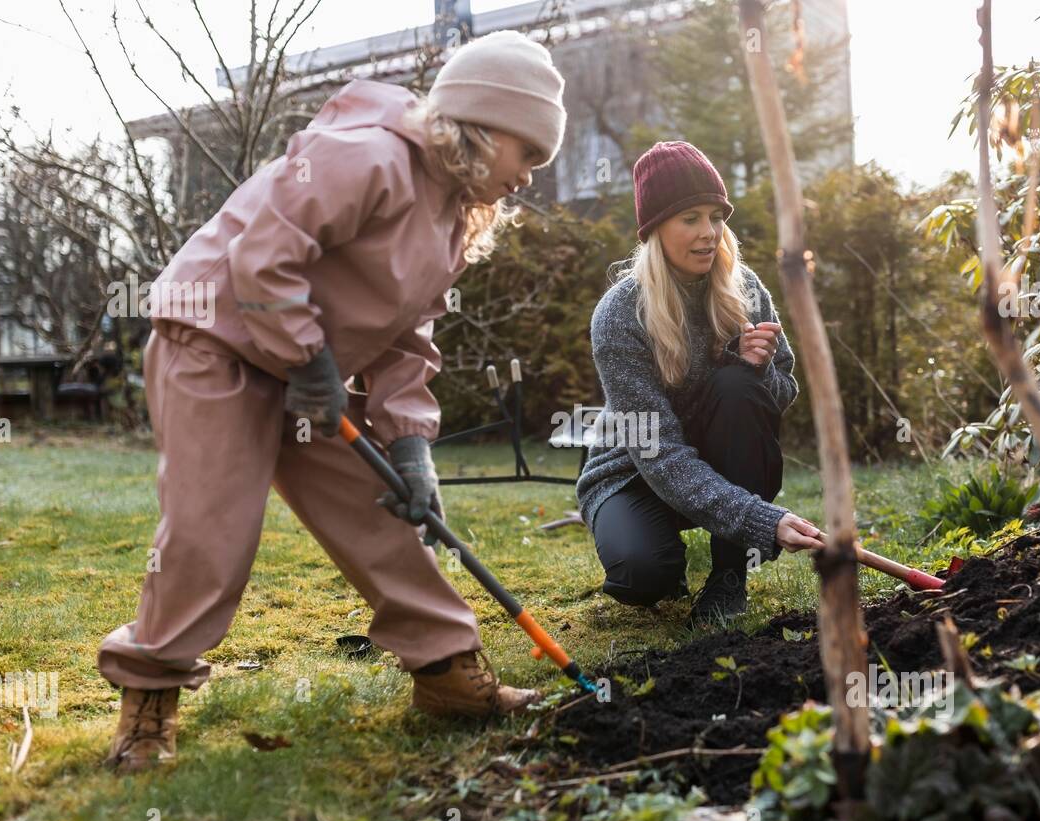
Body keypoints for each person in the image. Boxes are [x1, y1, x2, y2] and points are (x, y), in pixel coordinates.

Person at [98, 31, 567, 772]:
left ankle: (447, 673)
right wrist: (309, 358)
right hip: (212, 343)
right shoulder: (367, 155)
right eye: (528, 155)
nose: (529, 178)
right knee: (211, 531)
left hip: (297, 367)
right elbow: (262, 255)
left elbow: (407, 337)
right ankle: (149, 701)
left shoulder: (449, 217)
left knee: (377, 507)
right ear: (484, 125)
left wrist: (411, 449)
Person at [577, 141, 824, 629]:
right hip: (633, 471)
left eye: (716, 216)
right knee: (643, 576)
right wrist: (761, 521)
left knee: (737, 387)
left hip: (718, 460)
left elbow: (782, 396)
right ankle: (661, 548)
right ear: (654, 229)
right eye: (689, 218)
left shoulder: (744, 288)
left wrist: (758, 370)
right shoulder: (619, 315)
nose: (709, 233)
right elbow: (660, 453)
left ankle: (730, 575)